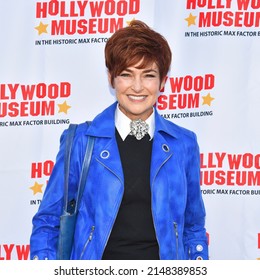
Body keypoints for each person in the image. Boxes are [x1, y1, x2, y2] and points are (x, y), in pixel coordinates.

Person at [30, 20, 208, 260]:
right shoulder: (81, 140)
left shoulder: (183, 143)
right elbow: (49, 221)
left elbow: (193, 227)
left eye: (148, 75)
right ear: (111, 79)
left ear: (163, 81)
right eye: (126, 74)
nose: (137, 87)